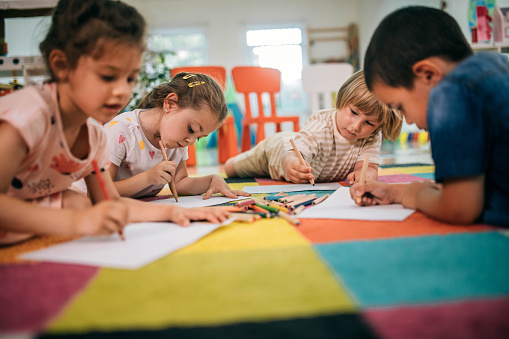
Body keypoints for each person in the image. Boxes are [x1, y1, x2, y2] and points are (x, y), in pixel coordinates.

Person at [0, 0, 228, 245]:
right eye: (108, 76)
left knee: (78, 203)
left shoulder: (93, 135)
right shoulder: (28, 117)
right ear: (62, 65)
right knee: (79, 207)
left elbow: (107, 202)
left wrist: (172, 212)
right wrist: (77, 222)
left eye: (130, 78)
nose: (122, 91)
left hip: (35, 207)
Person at [350, 6, 509, 228]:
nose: (407, 120)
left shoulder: (451, 92)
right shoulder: (497, 65)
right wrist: (394, 192)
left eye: (400, 107)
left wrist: (411, 196)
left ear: (428, 74)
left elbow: (459, 208)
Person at [225, 70, 402, 184]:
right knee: (232, 169)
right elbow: (293, 153)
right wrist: (291, 163)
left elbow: (368, 167)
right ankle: (230, 163)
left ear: (378, 126)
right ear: (342, 100)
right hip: (274, 151)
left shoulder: (372, 135)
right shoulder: (321, 125)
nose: (356, 126)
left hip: (301, 150)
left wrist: (366, 176)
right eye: (354, 112)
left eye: (369, 123)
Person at [103, 73, 250, 199]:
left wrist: (213, 179)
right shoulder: (120, 131)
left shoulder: (176, 140)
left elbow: (179, 183)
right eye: (192, 129)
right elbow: (100, 191)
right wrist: (148, 178)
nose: (191, 141)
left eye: (199, 137)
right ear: (170, 104)